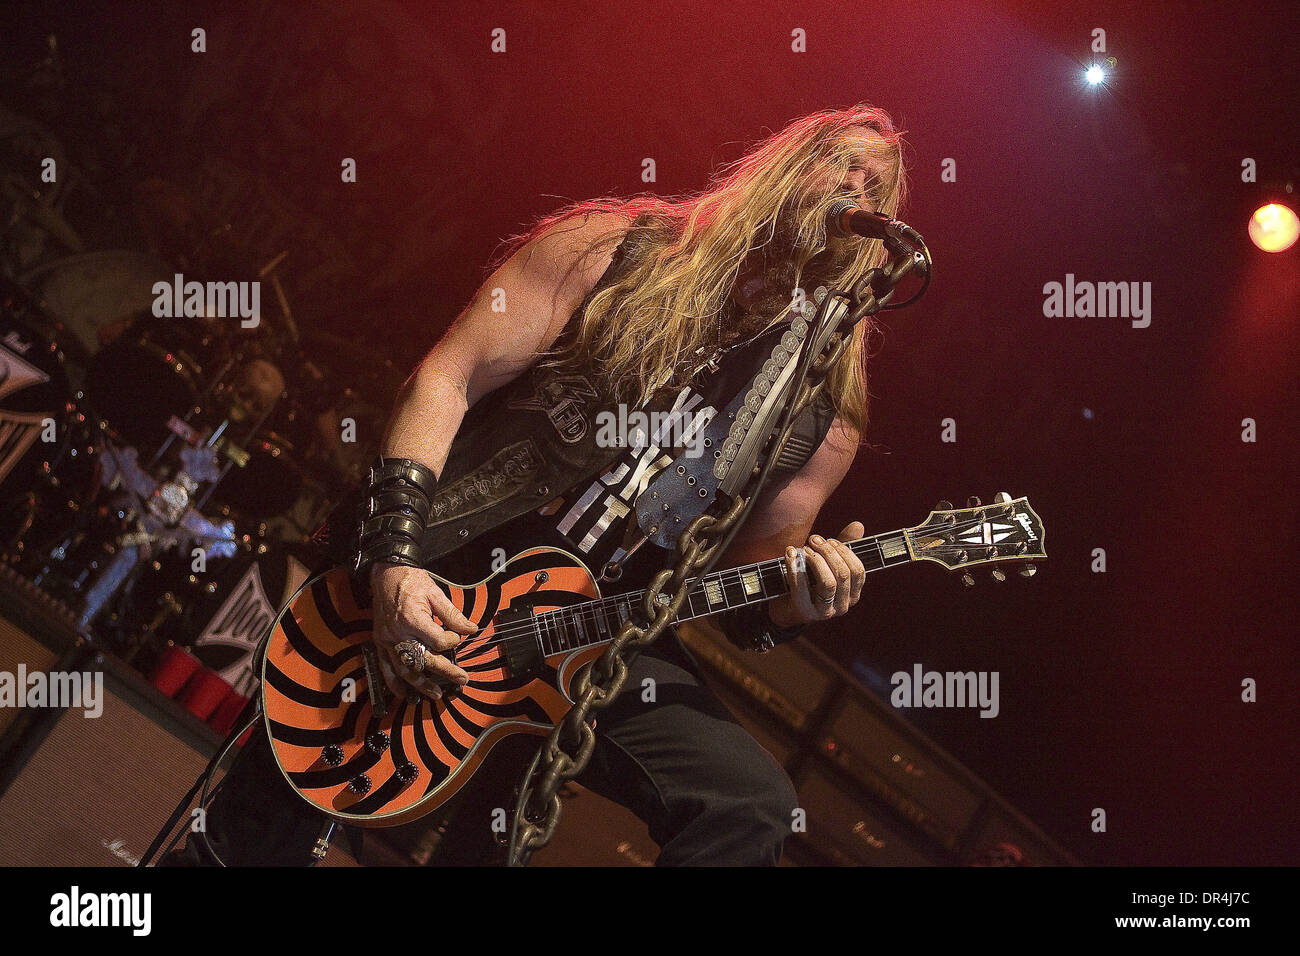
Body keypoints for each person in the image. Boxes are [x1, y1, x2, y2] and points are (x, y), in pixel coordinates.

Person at [169, 104, 907, 867]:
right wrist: (394, 560)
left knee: (751, 804)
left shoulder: (822, 406)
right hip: (453, 567)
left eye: (875, 185)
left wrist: (800, 598)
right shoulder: (616, 250)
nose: (856, 188)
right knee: (265, 830)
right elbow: (444, 381)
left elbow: (749, 577)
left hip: (596, 633)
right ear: (786, 165)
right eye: (839, 161)